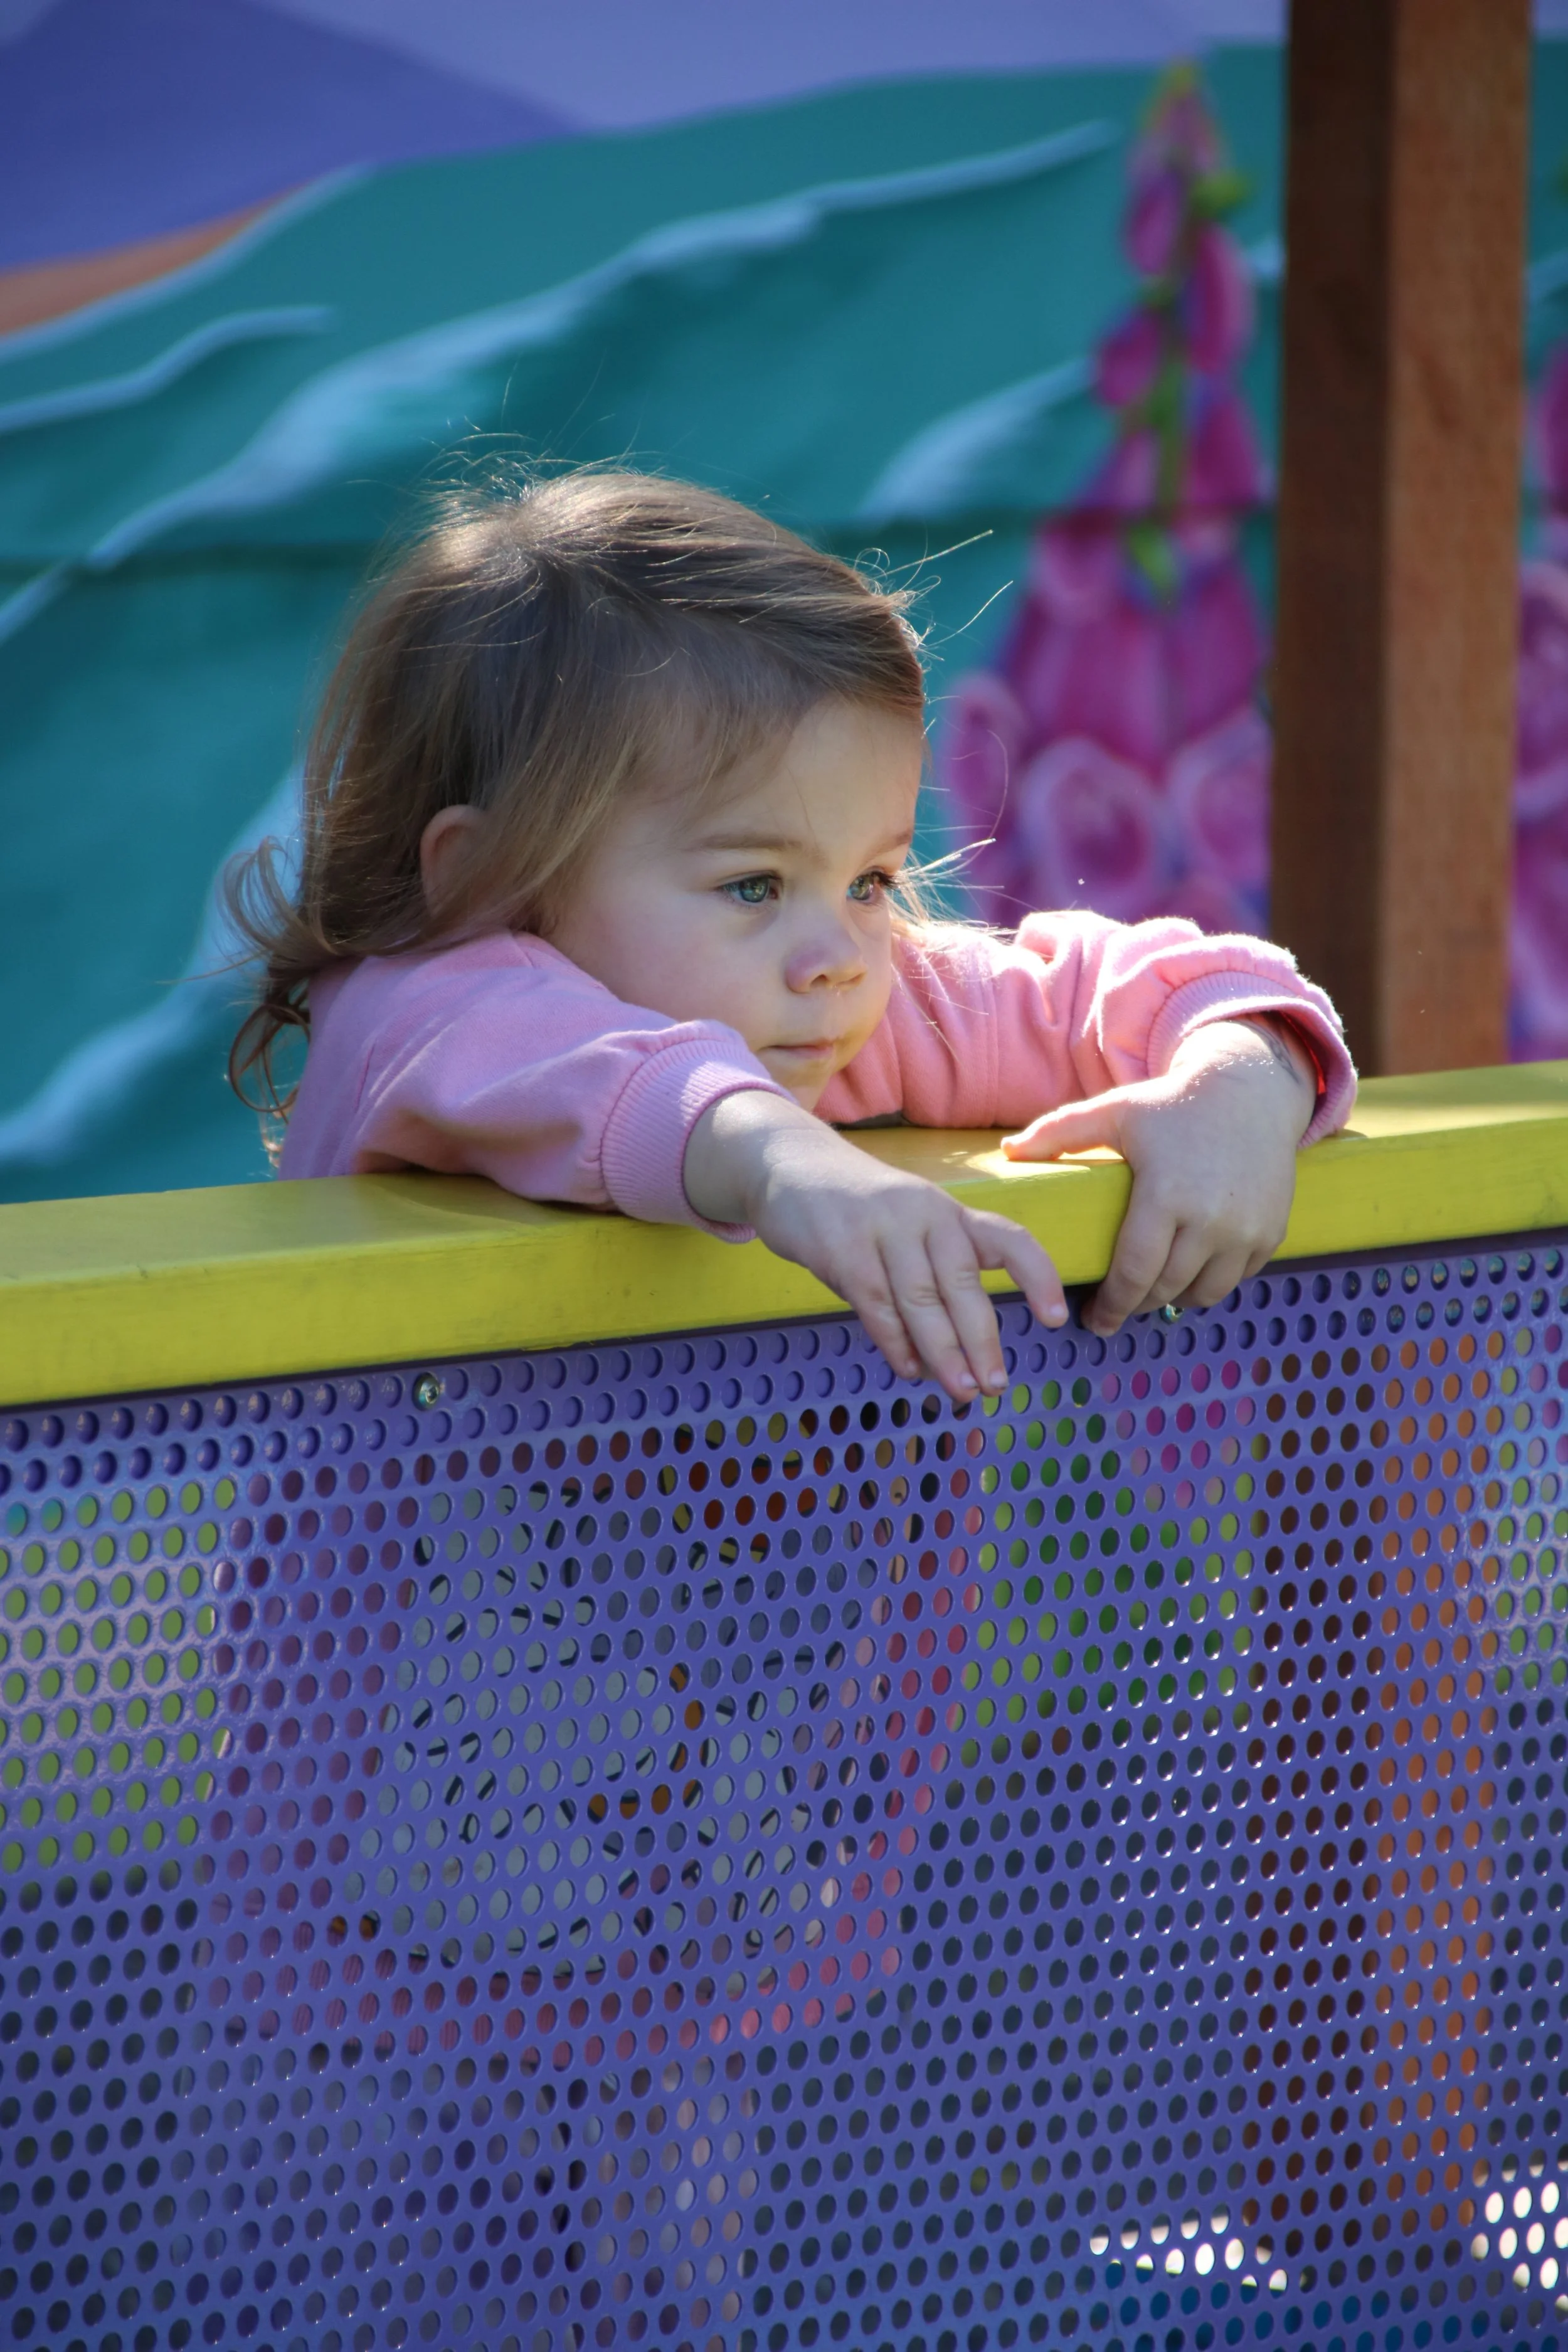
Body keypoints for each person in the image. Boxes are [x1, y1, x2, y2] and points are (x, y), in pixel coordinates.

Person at [228, 470, 1353, 1406]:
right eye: (754, 883)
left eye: (870, 877)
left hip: (845, 1678)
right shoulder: (418, 1016)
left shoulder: (846, 1005)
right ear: (487, 879)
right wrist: (782, 1160)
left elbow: (1125, 988)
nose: (842, 954)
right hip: (397, 1673)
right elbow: (601, 1074)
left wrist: (1238, 1080)